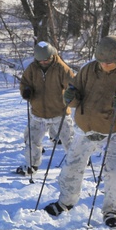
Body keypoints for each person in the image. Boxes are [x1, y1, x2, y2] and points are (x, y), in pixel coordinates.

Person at [44, 35, 116, 228]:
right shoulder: (89, 69)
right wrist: (70, 97)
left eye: (109, 63)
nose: (105, 65)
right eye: (102, 61)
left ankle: (112, 211)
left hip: (111, 132)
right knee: (71, 167)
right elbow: (75, 93)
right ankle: (65, 202)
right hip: (84, 129)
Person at [17, 41, 77, 175]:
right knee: (32, 141)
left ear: (52, 55)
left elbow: (72, 85)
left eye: (46, 59)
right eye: (40, 60)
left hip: (59, 112)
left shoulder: (61, 67)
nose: (43, 62)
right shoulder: (32, 68)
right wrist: (26, 91)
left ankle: (75, 165)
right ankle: (32, 165)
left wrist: (71, 94)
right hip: (38, 113)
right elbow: (25, 83)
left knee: (69, 140)